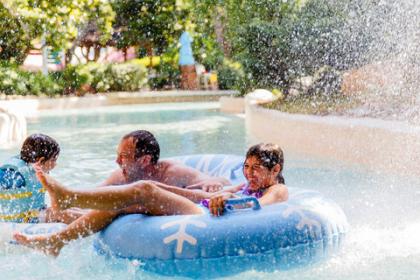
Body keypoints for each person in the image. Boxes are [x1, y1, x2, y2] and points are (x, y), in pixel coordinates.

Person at [13, 143, 288, 256]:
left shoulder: (276, 190)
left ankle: (67, 196)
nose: (250, 173)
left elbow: (258, 207)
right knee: (132, 200)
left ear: (275, 170)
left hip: (206, 220)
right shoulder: (244, 184)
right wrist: (206, 191)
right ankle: (56, 241)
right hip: (201, 207)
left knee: (143, 190)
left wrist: (224, 203)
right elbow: (210, 195)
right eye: (247, 167)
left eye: (257, 168)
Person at [0, 134, 82, 224]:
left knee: (71, 209)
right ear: (41, 160)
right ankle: (95, 223)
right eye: (53, 160)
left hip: (34, 213)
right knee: (64, 214)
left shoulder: (37, 169)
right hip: (20, 220)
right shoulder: (15, 175)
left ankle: (96, 217)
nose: (55, 164)